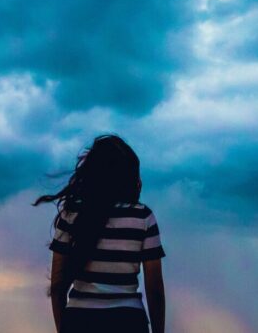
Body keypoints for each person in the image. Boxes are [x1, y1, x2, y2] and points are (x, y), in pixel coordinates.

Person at [33, 134, 166, 333]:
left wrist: (63, 328)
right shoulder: (143, 217)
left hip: (80, 321)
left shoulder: (70, 215)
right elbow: (154, 289)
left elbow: (58, 285)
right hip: (128, 322)